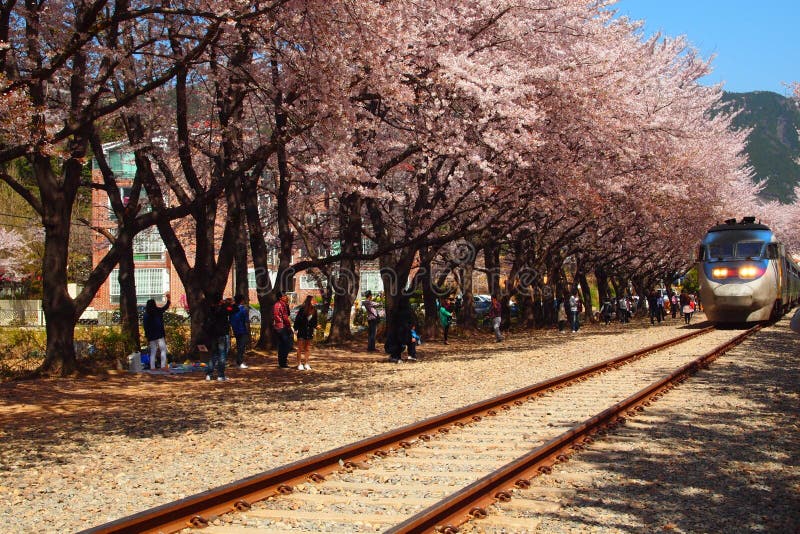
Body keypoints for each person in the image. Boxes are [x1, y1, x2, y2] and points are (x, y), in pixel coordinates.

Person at [205, 295, 235, 381]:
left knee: (214, 354)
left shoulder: (211, 308)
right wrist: (231, 303)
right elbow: (234, 310)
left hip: (213, 334)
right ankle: (220, 375)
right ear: (220, 301)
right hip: (222, 334)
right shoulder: (223, 309)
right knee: (222, 354)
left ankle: (209, 374)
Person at [142, 292, 171, 371]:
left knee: (153, 351)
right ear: (154, 304)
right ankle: (163, 366)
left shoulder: (145, 315)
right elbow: (165, 307)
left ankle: (152, 367)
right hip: (159, 334)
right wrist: (168, 299)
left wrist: (147, 335)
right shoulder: (157, 311)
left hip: (151, 335)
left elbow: (145, 326)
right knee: (163, 349)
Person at [385, 295, 414, 363]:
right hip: (404, 330)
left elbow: (393, 320)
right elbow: (410, 320)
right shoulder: (408, 311)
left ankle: (397, 357)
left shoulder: (396, 310)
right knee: (406, 343)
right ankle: (411, 355)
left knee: (398, 344)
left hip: (398, 330)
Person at [293, 295, 318, 370]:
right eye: (313, 300)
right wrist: (295, 329)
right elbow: (297, 320)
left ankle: (306, 363)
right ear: (309, 301)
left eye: (315, 301)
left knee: (307, 348)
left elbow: (314, 322)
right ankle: (299, 364)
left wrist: (316, 326)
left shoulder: (315, 310)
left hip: (309, 331)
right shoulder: (302, 309)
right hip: (302, 331)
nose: (314, 302)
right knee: (300, 348)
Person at [229, 294, 250, 369]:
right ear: (242, 300)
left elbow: (230, 320)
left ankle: (238, 360)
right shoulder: (243, 309)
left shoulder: (232, 309)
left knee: (239, 346)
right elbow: (246, 321)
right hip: (242, 330)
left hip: (235, 329)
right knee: (241, 347)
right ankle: (240, 362)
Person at [272, 291, 292, 368]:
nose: (286, 297)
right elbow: (285, 317)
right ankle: (283, 362)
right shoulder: (280, 305)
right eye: (284, 296)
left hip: (279, 327)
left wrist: (287, 305)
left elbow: (288, 314)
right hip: (282, 327)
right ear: (280, 297)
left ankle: (282, 362)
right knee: (286, 344)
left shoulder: (282, 304)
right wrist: (288, 326)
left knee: (282, 345)